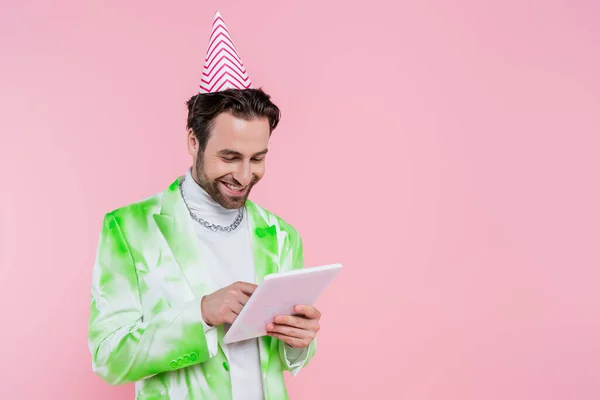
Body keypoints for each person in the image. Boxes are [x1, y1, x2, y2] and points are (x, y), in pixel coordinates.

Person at [87, 12, 320, 400]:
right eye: (230, 157)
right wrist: (201, 313)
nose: (245, 176)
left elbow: (281, 359)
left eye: (257, 158)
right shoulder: (128, 229)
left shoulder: (281, 237)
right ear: (194, 142)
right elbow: (108, 356)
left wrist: (299, 341)